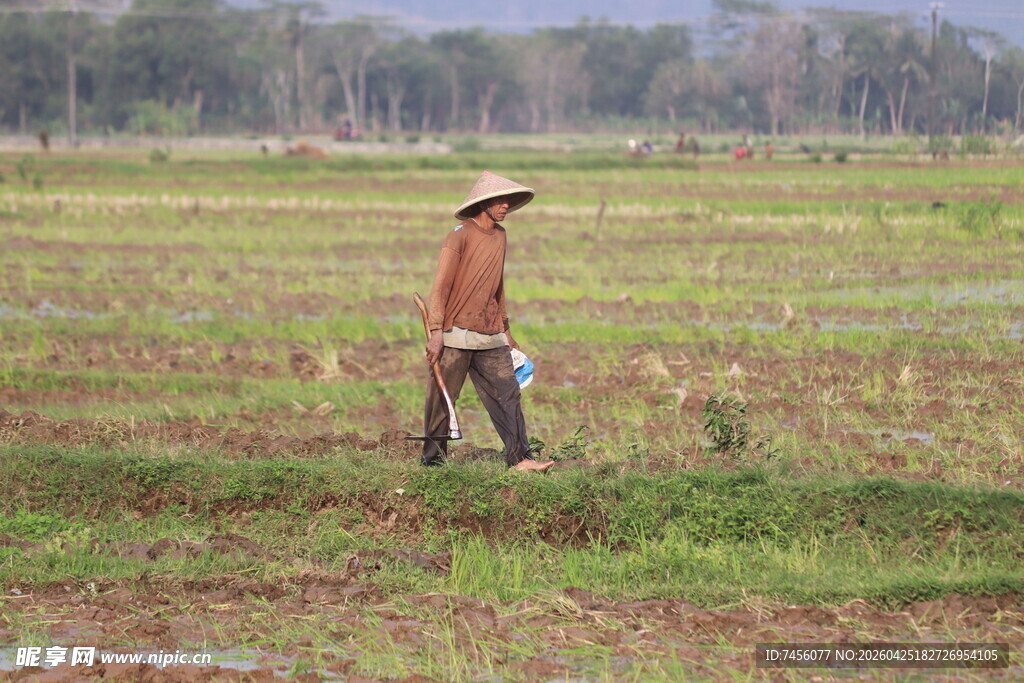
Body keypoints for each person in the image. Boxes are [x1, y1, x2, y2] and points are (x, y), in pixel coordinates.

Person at [422, 171, 555, 473]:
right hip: (455, 333)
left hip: (490, 334)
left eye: (508, 201)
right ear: (484, 204)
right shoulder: (459, 235)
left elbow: (498, 286)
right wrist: (435, 332)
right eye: (500, 201)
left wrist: (506, 330)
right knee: (443, 400)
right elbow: (440, 286)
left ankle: (520, 459)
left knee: (508, 394)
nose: (506, 206)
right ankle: (432, 464)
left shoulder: (501, 237)